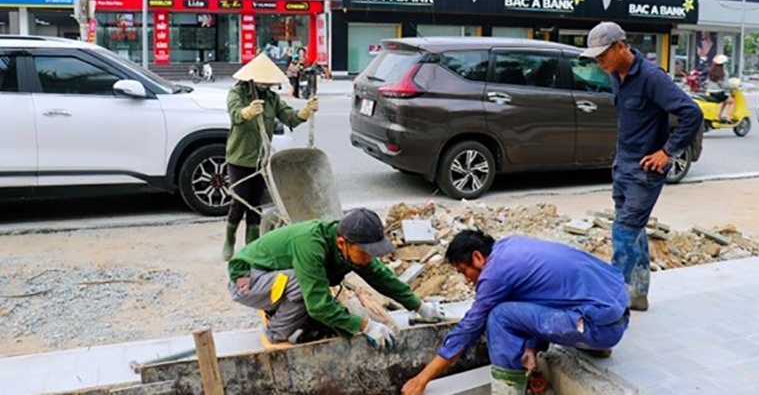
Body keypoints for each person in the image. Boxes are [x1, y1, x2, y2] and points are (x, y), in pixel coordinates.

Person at [402, 230, 630, 395]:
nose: (467, 280)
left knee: (499, 316)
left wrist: (423, 378)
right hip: (617, 314)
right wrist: (532, 346)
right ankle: (595, 345)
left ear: (478, 257)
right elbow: (538, 297)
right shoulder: (510, 246)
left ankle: (507, 391)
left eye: (464, 271)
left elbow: (468, 329)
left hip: (598, 327)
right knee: (514, 305)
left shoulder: (495, 274)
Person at [581, 22, 703, 312]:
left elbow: (691, 113)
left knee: (623, 231)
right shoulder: (616, 75)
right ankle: (638, 293)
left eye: (602, 56)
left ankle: (611, 306)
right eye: (595, 57)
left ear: (620, 47)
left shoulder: (650, 77)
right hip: (622, 163)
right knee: (632, 230)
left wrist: (668, 152)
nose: (599, 62)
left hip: (645, 171)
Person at [228, 208, 445, 349]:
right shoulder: (311, 244)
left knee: (320, 305)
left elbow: (380, 276)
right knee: (302, 284)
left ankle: (281, 312)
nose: (369, 258)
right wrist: (365, 326)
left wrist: (419, 307)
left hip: (274, 280)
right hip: (248, 281)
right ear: (342, 243)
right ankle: (275, 332)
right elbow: (318, 303)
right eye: (365, 252)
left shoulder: (349, 247)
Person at [223, 53, 319, 261]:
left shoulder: (272, 99)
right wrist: (247, 112)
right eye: (265, 81)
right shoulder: (236, 93)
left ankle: (252, 245)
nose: (268, 85)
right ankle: (229, 239)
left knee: (256, 203)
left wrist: (304, 112)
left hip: (262, 160)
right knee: (239, 201)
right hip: (240, 157)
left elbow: (289, 118)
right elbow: (235, 114)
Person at [705, 55, 735, 123]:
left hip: (711, 92)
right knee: (732, 101)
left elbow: (707, 82)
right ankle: (728, 117)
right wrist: (734, 86)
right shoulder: (724, 73)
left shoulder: (710, 71)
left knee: (724, 101)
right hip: (719, 93)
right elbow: (725, 85)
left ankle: (718, 115)